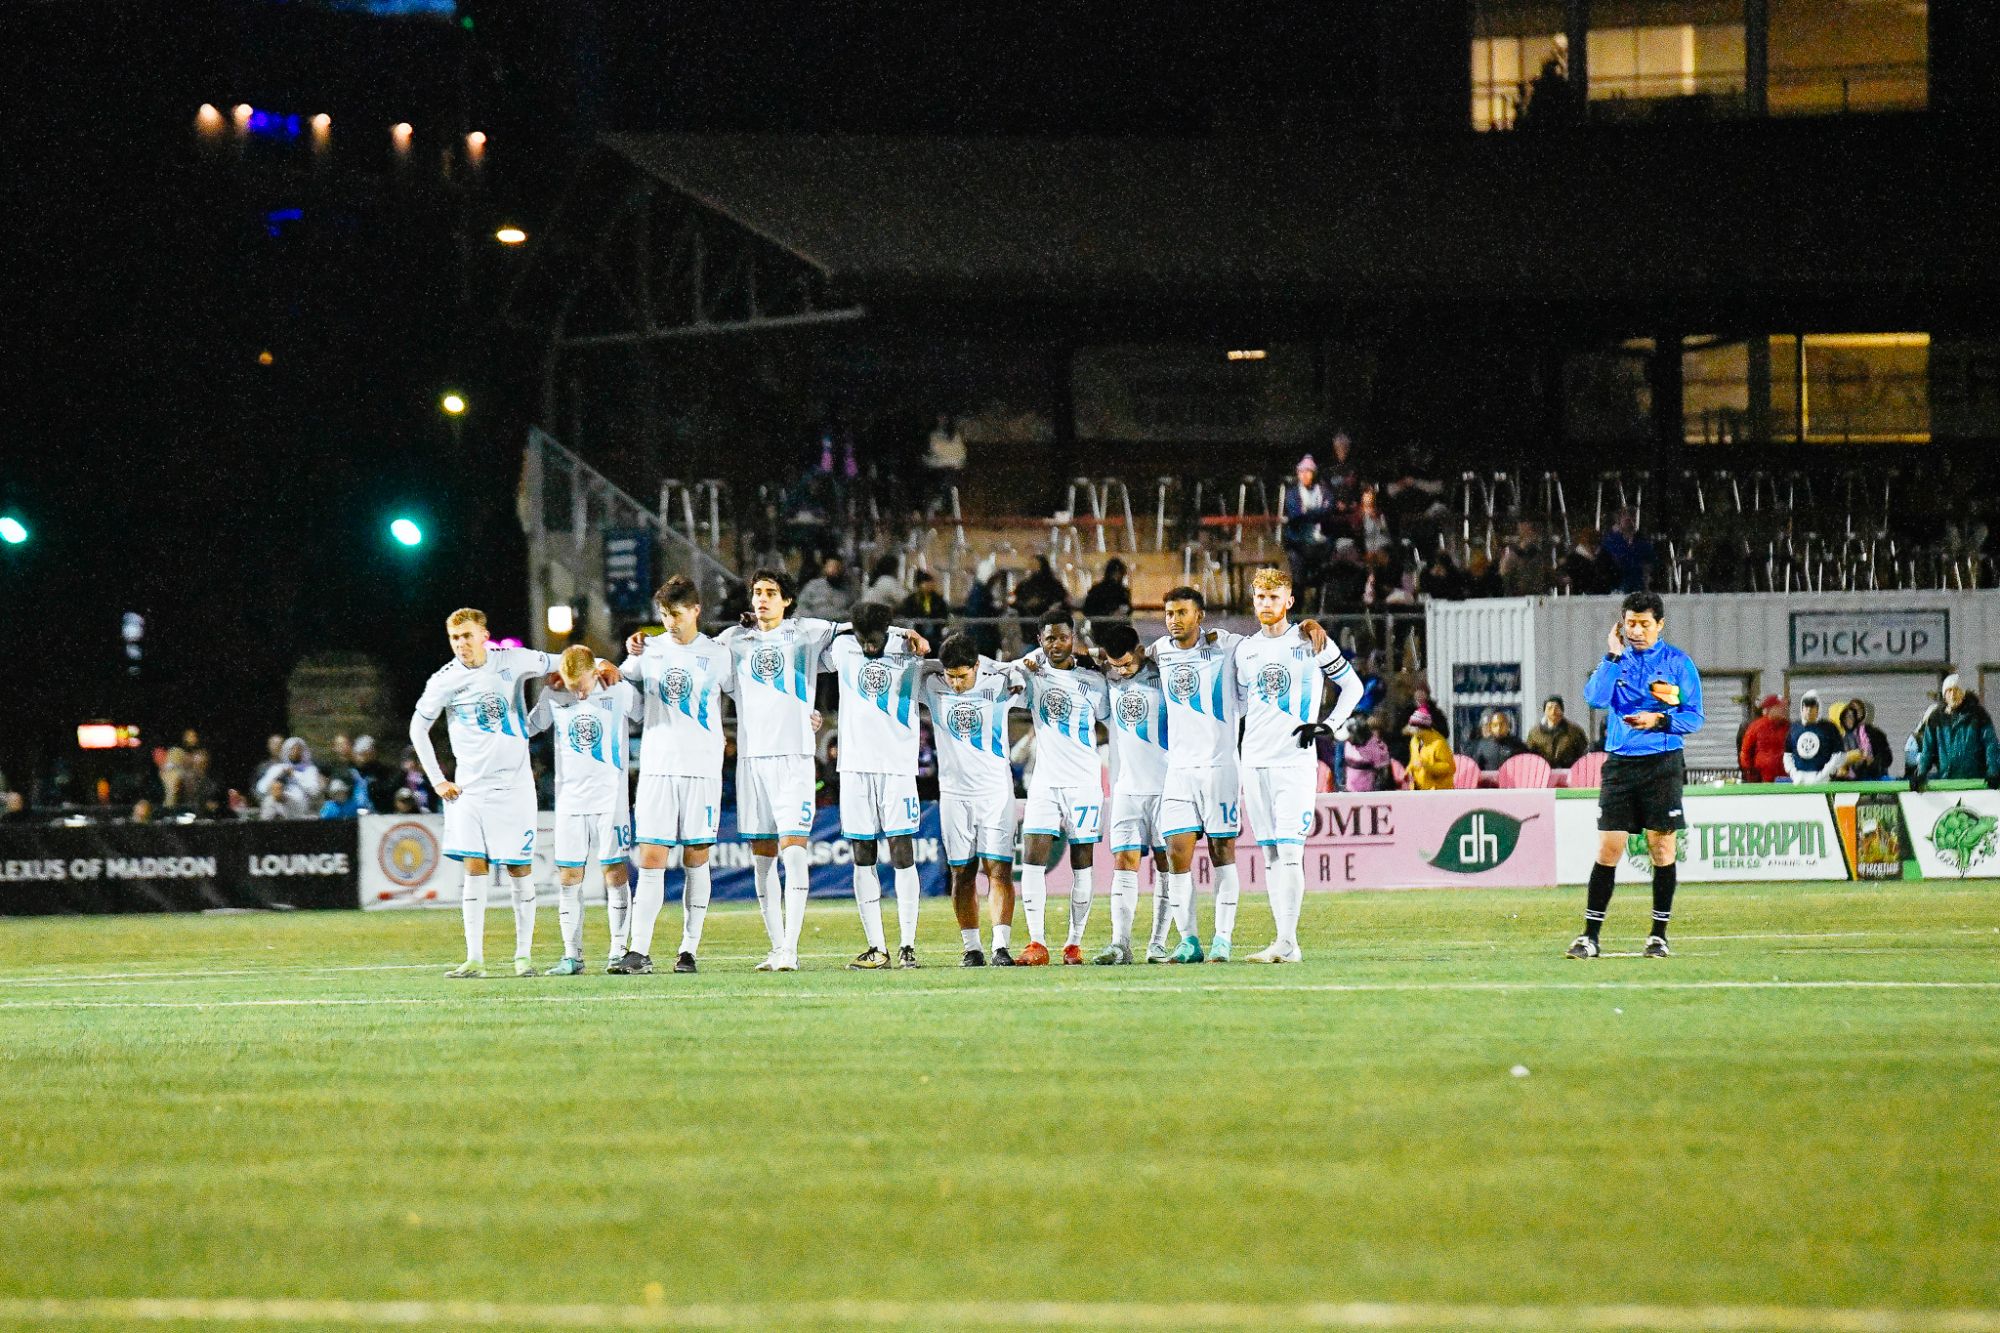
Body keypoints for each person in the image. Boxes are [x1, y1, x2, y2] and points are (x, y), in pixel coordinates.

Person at [409, 608, 573, 979]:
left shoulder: (512, 661)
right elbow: (418, 729)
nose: (461, 644)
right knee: (474, 868)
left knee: (519, 868)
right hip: (468, 790)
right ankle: (475, 959)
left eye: (467, 636)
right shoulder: (444, 680)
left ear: (484, 635)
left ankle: (523, 957)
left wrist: (601, 664)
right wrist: (438, 780)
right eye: (454, 638)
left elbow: (564, 659)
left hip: (514, 786)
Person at [713, 570, 850, 972]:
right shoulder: (733, 640)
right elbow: (696, 659)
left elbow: (855, 624)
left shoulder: (805, 633)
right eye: (757, 592)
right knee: (762, 860)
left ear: (787, 600)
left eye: (771, 593)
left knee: (794, 853)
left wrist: (902, 633)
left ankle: (791, 948)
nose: (762, 599)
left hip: (794, 757)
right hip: (752, 761)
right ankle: (775, 946)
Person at [1233, 567, 1364, 965]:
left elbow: (1353, 687)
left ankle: (1288, 942)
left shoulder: (1310, 640)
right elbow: (1240, 705)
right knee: (1270, 853)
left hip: (1294, 761)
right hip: (1253, 761)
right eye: (1260, 597)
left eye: (1274, 598)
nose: (1266, 604)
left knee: (1290, 851)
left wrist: (1329, 724)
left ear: (1289, 601)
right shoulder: (1245, 651)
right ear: (1253, 601)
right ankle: (1283, 941)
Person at [1571, 591, 1704, 960]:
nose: (1637, 630)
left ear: (1660, 625)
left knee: (1661, 847)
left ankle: (1658, 936)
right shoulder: (1616, 660)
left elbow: (1695, 716)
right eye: (1631, 623)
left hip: (1663, 763)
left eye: (1645, 624)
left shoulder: (1678, 663)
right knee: (1608, 847)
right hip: (1620, 764)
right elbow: (1595, 699)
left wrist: (1659, 719)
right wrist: (1612, 654)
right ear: (1622, 623)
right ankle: (1589, 936)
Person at [619, 576, 736, 975]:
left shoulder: (717, 654)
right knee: (651, 857)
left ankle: (689, 949)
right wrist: (627, 650)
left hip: (702, 767)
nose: (670, 622)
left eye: (677, 613)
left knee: (695, 858)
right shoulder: (648, 650)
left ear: (696, 610)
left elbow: (749, 697)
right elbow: (616, 684)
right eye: (664, 614)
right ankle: (639, 950)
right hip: (656, 767)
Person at [822, 602, 931, 969]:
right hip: (853, 767)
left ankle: (908, 946)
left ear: (888, 631)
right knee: (862, 853)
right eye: (863, 639)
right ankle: (877, 947)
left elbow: (927, 648)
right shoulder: (844, 646)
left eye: (875, 639)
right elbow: (823, 631)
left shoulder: (908, 649)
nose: (869, 647)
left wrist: (906, 634)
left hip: (897, 767)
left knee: (902, 851)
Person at [526, 645, 642, 976]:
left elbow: (645, 712)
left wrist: (616, 668)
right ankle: (572, 956)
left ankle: (618, 951)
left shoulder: (615, 686)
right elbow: (531, 726)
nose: (578, 691)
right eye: (571, 683)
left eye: (582, 683)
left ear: (594, 671)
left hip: (610, 799)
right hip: (570, 801)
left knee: (614, 872)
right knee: (568, 878)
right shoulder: (555, 692)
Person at [1003, 609, 1111, 965]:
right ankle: (1037, 943)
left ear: (1074, 639)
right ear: (1040, 641)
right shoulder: (1032, 676)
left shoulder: (1092, 683)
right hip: (1044, 783)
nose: (1057, 644)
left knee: (1082, 864)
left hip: (1083, 783)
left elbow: (1113, 717)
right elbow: (1008, 675)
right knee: (1032, 861)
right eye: (1050, 638)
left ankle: (1073, 943)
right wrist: (1027, 665)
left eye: (1063, 637)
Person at [920, 633, 1022, 966]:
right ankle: (971, 948)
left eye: (963, 676)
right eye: (951, 675)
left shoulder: (999, 683)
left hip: (995, 791)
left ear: (977, 666)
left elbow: (1024, 667)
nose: (956, 683)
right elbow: (915, 667)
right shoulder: (933, 686)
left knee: (999, 870)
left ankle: (1001, 946)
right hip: (953, 793)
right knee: (962, 872)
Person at [1092, 621, 1169, 966]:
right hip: (1126, 788)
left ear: (1140, 652)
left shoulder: (1164, 675)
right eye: (1114, 665)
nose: (1121, 671)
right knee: (1124, 862)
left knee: (1169, 865)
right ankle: (1120, 944)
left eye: (1126, 664)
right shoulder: (1109, 679)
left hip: (1167, 788)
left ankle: (1159, 943)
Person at [1911, 673, 2000, 785]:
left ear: (1963, 693)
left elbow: (1990, 744)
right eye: (1949, 691)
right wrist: (1920, 774)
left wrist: (1993, 771)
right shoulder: (1936, 718)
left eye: (1956, 690)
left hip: (1975, 783)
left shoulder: (1978, 715)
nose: (1953, 695)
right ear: (1944, 694)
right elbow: (1928, 750)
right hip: (1947, 783)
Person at [1280, 456, 1333, 602]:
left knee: (1325, 577)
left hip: (1320, 543)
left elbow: (1328, 510)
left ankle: (1319, 610)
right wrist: (1316, 513)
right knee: (1298, 579)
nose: (1304, 475)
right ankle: (1297, 614)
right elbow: (1295, 514)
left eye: (1308, 471)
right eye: (1301, 471)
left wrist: (1307, 513)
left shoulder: (1323, 491)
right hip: (1298, 544)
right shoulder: (1292, 494)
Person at [1784, 690, 1846, 784]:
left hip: (1823, 780)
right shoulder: (1794, 728)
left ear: (1818, 708)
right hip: (1799, 779)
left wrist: (1825, 773)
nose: (1809, 711)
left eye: (1812, 707)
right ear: (1802, 708)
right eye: (1806, 707)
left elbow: (1839, 754)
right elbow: (1787, 754)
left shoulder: (1829, 728)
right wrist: (1794, 773)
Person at [255, 738, 324, 820]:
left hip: (301, 805)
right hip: (280, 804)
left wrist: (294, 775)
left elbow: (314, 791)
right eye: (292, 749)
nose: (295, 752)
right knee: (270, 799)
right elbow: (261, 789)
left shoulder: (310, 769)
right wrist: (278, 774)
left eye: (298, 749)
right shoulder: (277, 768)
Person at [1736, 694, 1789, 784]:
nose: (1784, 710)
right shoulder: (1756, 727)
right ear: (1770, 709)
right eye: (1780, 707)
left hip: (1786, 779)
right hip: (1762, 780)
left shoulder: (1789, 727)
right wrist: (1751, 775)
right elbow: (1745, 753)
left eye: (1784, 707)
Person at [1526, 696, 1590, 769]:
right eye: (1549, 708)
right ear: (1544, 711)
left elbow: (1583, 753)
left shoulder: (1574, 731)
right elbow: (1530, 755)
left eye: (1556, 708)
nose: (1553, 712)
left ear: (1562, 710)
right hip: (1543, 773)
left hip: (1569, 771)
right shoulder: (1535, 733)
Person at [1836, 699, 1891, 782]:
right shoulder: (1843, 736)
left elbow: (1886, 758)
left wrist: (1873, 762)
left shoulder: (1875, 734)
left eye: (1859, 710)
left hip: (1872, 775)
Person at [1603, 508, 1654, 594]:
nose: (1630, 521)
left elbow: (1651, 561)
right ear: (1619, 521)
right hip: (1617, 585)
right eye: (1626, 519)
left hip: (1638, 585)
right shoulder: (1611, 540)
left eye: (1632, 518)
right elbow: (1612, 559)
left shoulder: (1641, 541)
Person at [1404, 707, 1455, 790]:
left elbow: (1449, 767)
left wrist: (1428, 766)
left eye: (1414, 727)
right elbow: (1414, 761)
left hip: (1437, 790)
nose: (1411, 730)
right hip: (1418, 788)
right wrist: (1408, 770)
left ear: (1422, 728)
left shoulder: (1438, 743)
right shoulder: (1414, 741)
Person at [898, 570, 950, 648]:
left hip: (935, 631)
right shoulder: (912, 599)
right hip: (918, 629)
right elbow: (908, 614)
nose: (929, 585)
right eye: (926, 583)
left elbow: (943, 614)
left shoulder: (937, 599)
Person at [1340, 717, 1392, 793]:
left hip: (1367, 790)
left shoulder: (1374, 746)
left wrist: (1378, 790)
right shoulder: (1348, 743)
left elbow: (1383, 772)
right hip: (1349, 787)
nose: (1347, 738)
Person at [795, 556, 853, 622]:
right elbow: (801, 606)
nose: (832, 570)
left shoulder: (847, 590)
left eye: (836, 567)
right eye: (830, 567)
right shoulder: (813, 586)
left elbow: (851, 612)